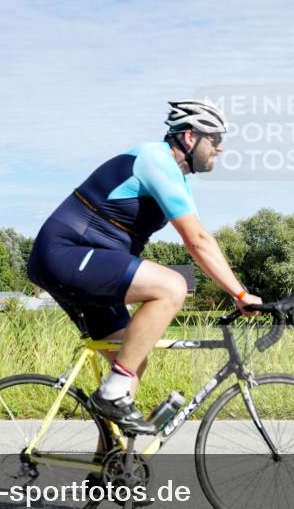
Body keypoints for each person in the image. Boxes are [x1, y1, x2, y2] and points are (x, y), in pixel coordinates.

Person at [27, 100, 263, 434]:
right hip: (67, 253)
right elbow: (197, 240)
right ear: (190, 136)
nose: (220, 148)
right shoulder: (155, 160)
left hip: (83, 260)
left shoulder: (176, 179)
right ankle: (111, 393)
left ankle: (109, 472)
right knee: (172, 286)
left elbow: (198, 238)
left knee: (132, 362)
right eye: (215, 138)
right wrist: (240, 293)